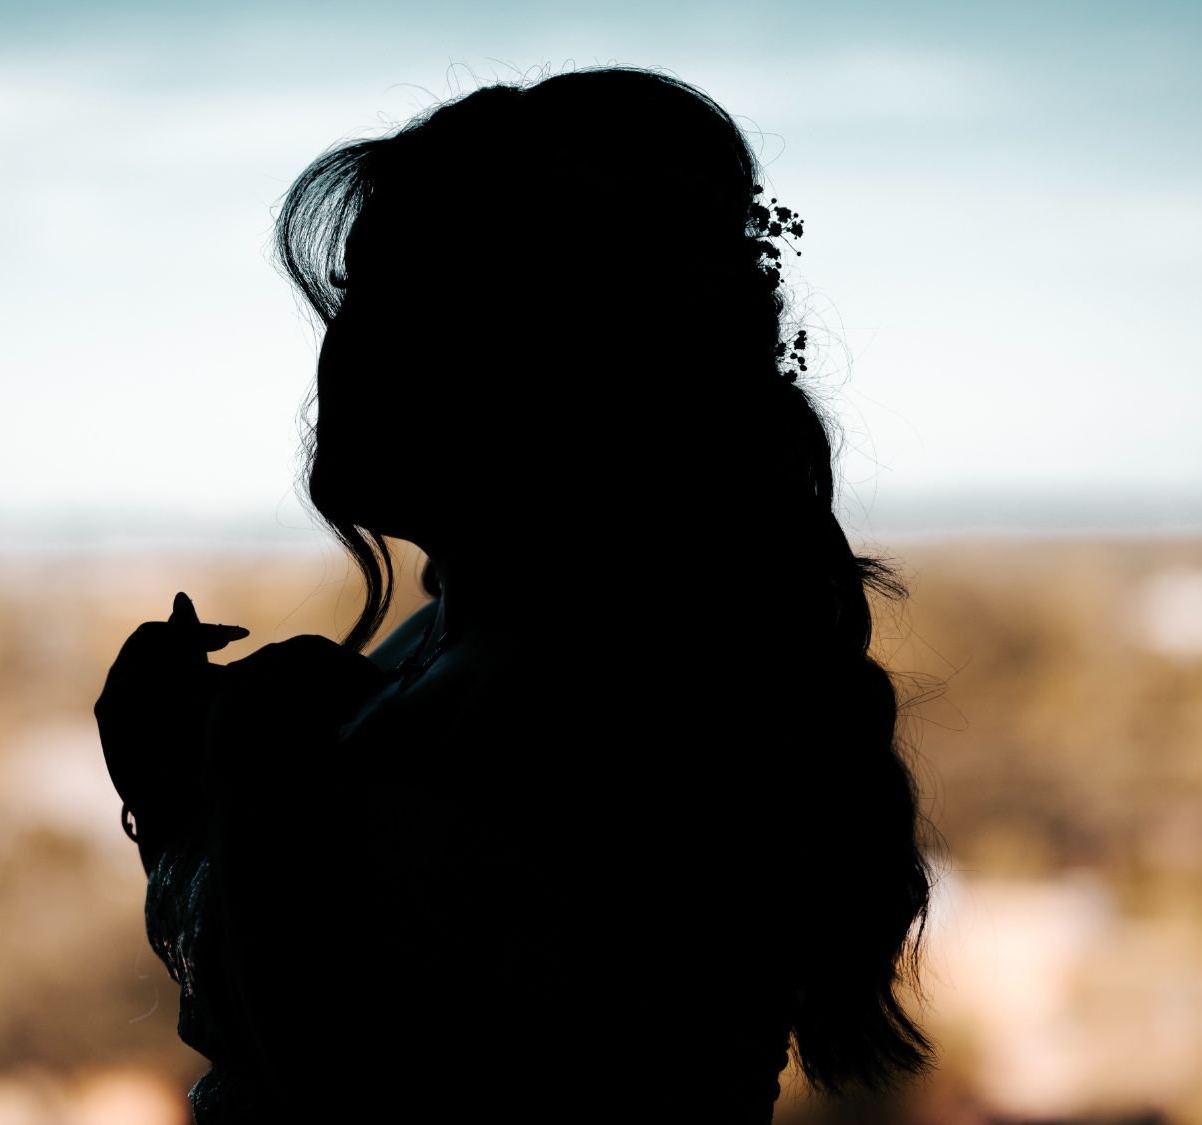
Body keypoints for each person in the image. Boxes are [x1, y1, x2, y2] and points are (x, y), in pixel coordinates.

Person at [95, 66, 933, 1124]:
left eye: (391, 302)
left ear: (539, 359)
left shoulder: (595, 708)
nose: (338, 349)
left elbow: (350, 1071)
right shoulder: (468, 648)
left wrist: (198, 787)